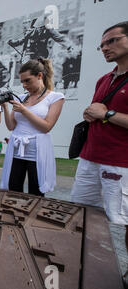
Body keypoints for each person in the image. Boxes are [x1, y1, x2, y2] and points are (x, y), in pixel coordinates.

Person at [71, 22, 128, 272]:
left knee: (124, 220)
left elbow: (107, 113)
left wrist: (107, 114)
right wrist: (91, 114)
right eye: (102, 44)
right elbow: (99, 111)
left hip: (120, 161)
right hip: (89, 157)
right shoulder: (103, 79)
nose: (105, 47)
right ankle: (84, 265)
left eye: (112, 41)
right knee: (81, 213)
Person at [0, 58, 65, 196]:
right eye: (22, 81)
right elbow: (11, 126)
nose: (24, 85)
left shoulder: (55, 97)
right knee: (13, 188)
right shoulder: (22, 98)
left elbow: (47, 127)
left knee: (36, 191)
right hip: (17, 150)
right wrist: (5, 107)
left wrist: (24, 110)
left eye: (27, 80)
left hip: (37, 152)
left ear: (40, 76)